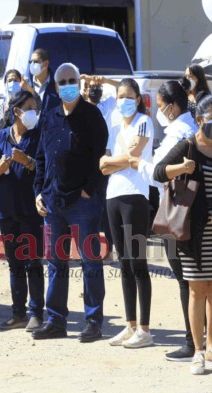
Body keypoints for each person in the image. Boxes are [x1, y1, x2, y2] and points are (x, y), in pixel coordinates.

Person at [131, 80, 212, 361]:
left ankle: (194, 342)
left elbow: (157, 172)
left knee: (189, 281)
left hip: (183, 216)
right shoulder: (186, 129)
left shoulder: (182, 133)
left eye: (160, 106)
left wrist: (137, 163)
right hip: (190, 215)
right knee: (197, 282)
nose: (159, 111)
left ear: (172, 107)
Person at [154, 96, 212, 375]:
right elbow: (158, 172)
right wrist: (181, 168)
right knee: (196, 290)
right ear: (200, 119)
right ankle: (198, 351)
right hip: (193, 232)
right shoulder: (188, 145)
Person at [32, 63, 108, 342]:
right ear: (55, 86)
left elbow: (101, 157)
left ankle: (93, 321)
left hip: (82, 202)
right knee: (55, 262)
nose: (67, 84)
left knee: (90, 261)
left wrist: (89, 190)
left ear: (79, 82)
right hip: (52, 202)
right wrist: (38, 192)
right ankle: (55, 320)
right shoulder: (49, 116)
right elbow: (41, 157)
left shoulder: (92, 115)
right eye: (62, 81)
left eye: (71, 80)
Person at [99, 78, 154, 348]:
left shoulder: (144, 121)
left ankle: (144, 328)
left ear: (138, 98)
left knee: (138, 262)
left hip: (135, 195)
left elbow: (134, 156)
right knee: (123, 262)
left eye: (129, 96)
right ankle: (130, 323)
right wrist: (115, 162)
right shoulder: (115, 127)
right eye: (120, 96)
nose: (124, 100)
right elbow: (104, 165)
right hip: (113, 196)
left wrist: (113, 162)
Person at [0, 90, 45, 332]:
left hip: (30, 209)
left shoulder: (38, 135)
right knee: (14, 262)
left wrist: (27, 161)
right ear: (16, 110)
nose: (33, 112)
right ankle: (18, 312)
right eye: (29, 107)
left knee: (33, 261)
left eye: (35, 107)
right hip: (6, 209)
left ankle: (36, 313)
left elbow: (44, 168)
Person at [81, 73, 119, 260]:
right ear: (85, 90)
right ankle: (88, 247)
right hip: (86, 161)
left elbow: (122, 88)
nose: (94, 91)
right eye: (91, 88)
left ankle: (109, 248)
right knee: (86, 205)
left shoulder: (106, 106)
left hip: (104, 159)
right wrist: (80, 80)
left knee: (104, 204)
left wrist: (105, 80)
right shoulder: (80, 108)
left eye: (98, 89)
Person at [29, 48, 61, 117]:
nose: (32, 64)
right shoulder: (27, 84)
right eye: (30, 62)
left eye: (36, 62)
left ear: (46, 64)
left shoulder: (57, 84)